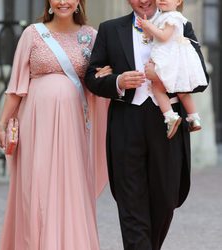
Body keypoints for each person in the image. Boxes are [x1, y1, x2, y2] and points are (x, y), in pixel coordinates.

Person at [85, 0, 209, 249]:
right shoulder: (110, 29)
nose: (143, 0)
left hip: (167, 123)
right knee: (130, 201)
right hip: (126, 122)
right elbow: (92, 76)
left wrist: (163, 76)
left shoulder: (179, 25)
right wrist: (118, 81)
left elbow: (200, 79)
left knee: (165, 198)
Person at [0, 0, 111, 249]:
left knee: (70, 187)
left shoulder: (91, 36)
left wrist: (105, 78)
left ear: (79, 2)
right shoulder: (32, 33)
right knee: (36, 187)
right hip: (36, 124)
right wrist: (3, 121)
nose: (63, 1)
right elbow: (17, 85)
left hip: (73, 126)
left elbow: (97, 80)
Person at [137, 0, 208, 139]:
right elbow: (155, 37)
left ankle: (170, 116)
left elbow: (163, 36)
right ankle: (194, 118)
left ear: (178, 1)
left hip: (170, 57)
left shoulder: (172, 17)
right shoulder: (163, 17)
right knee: (181, 91)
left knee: (157, 87)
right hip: (171, 55)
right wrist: (147, 30)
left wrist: (150, 27)